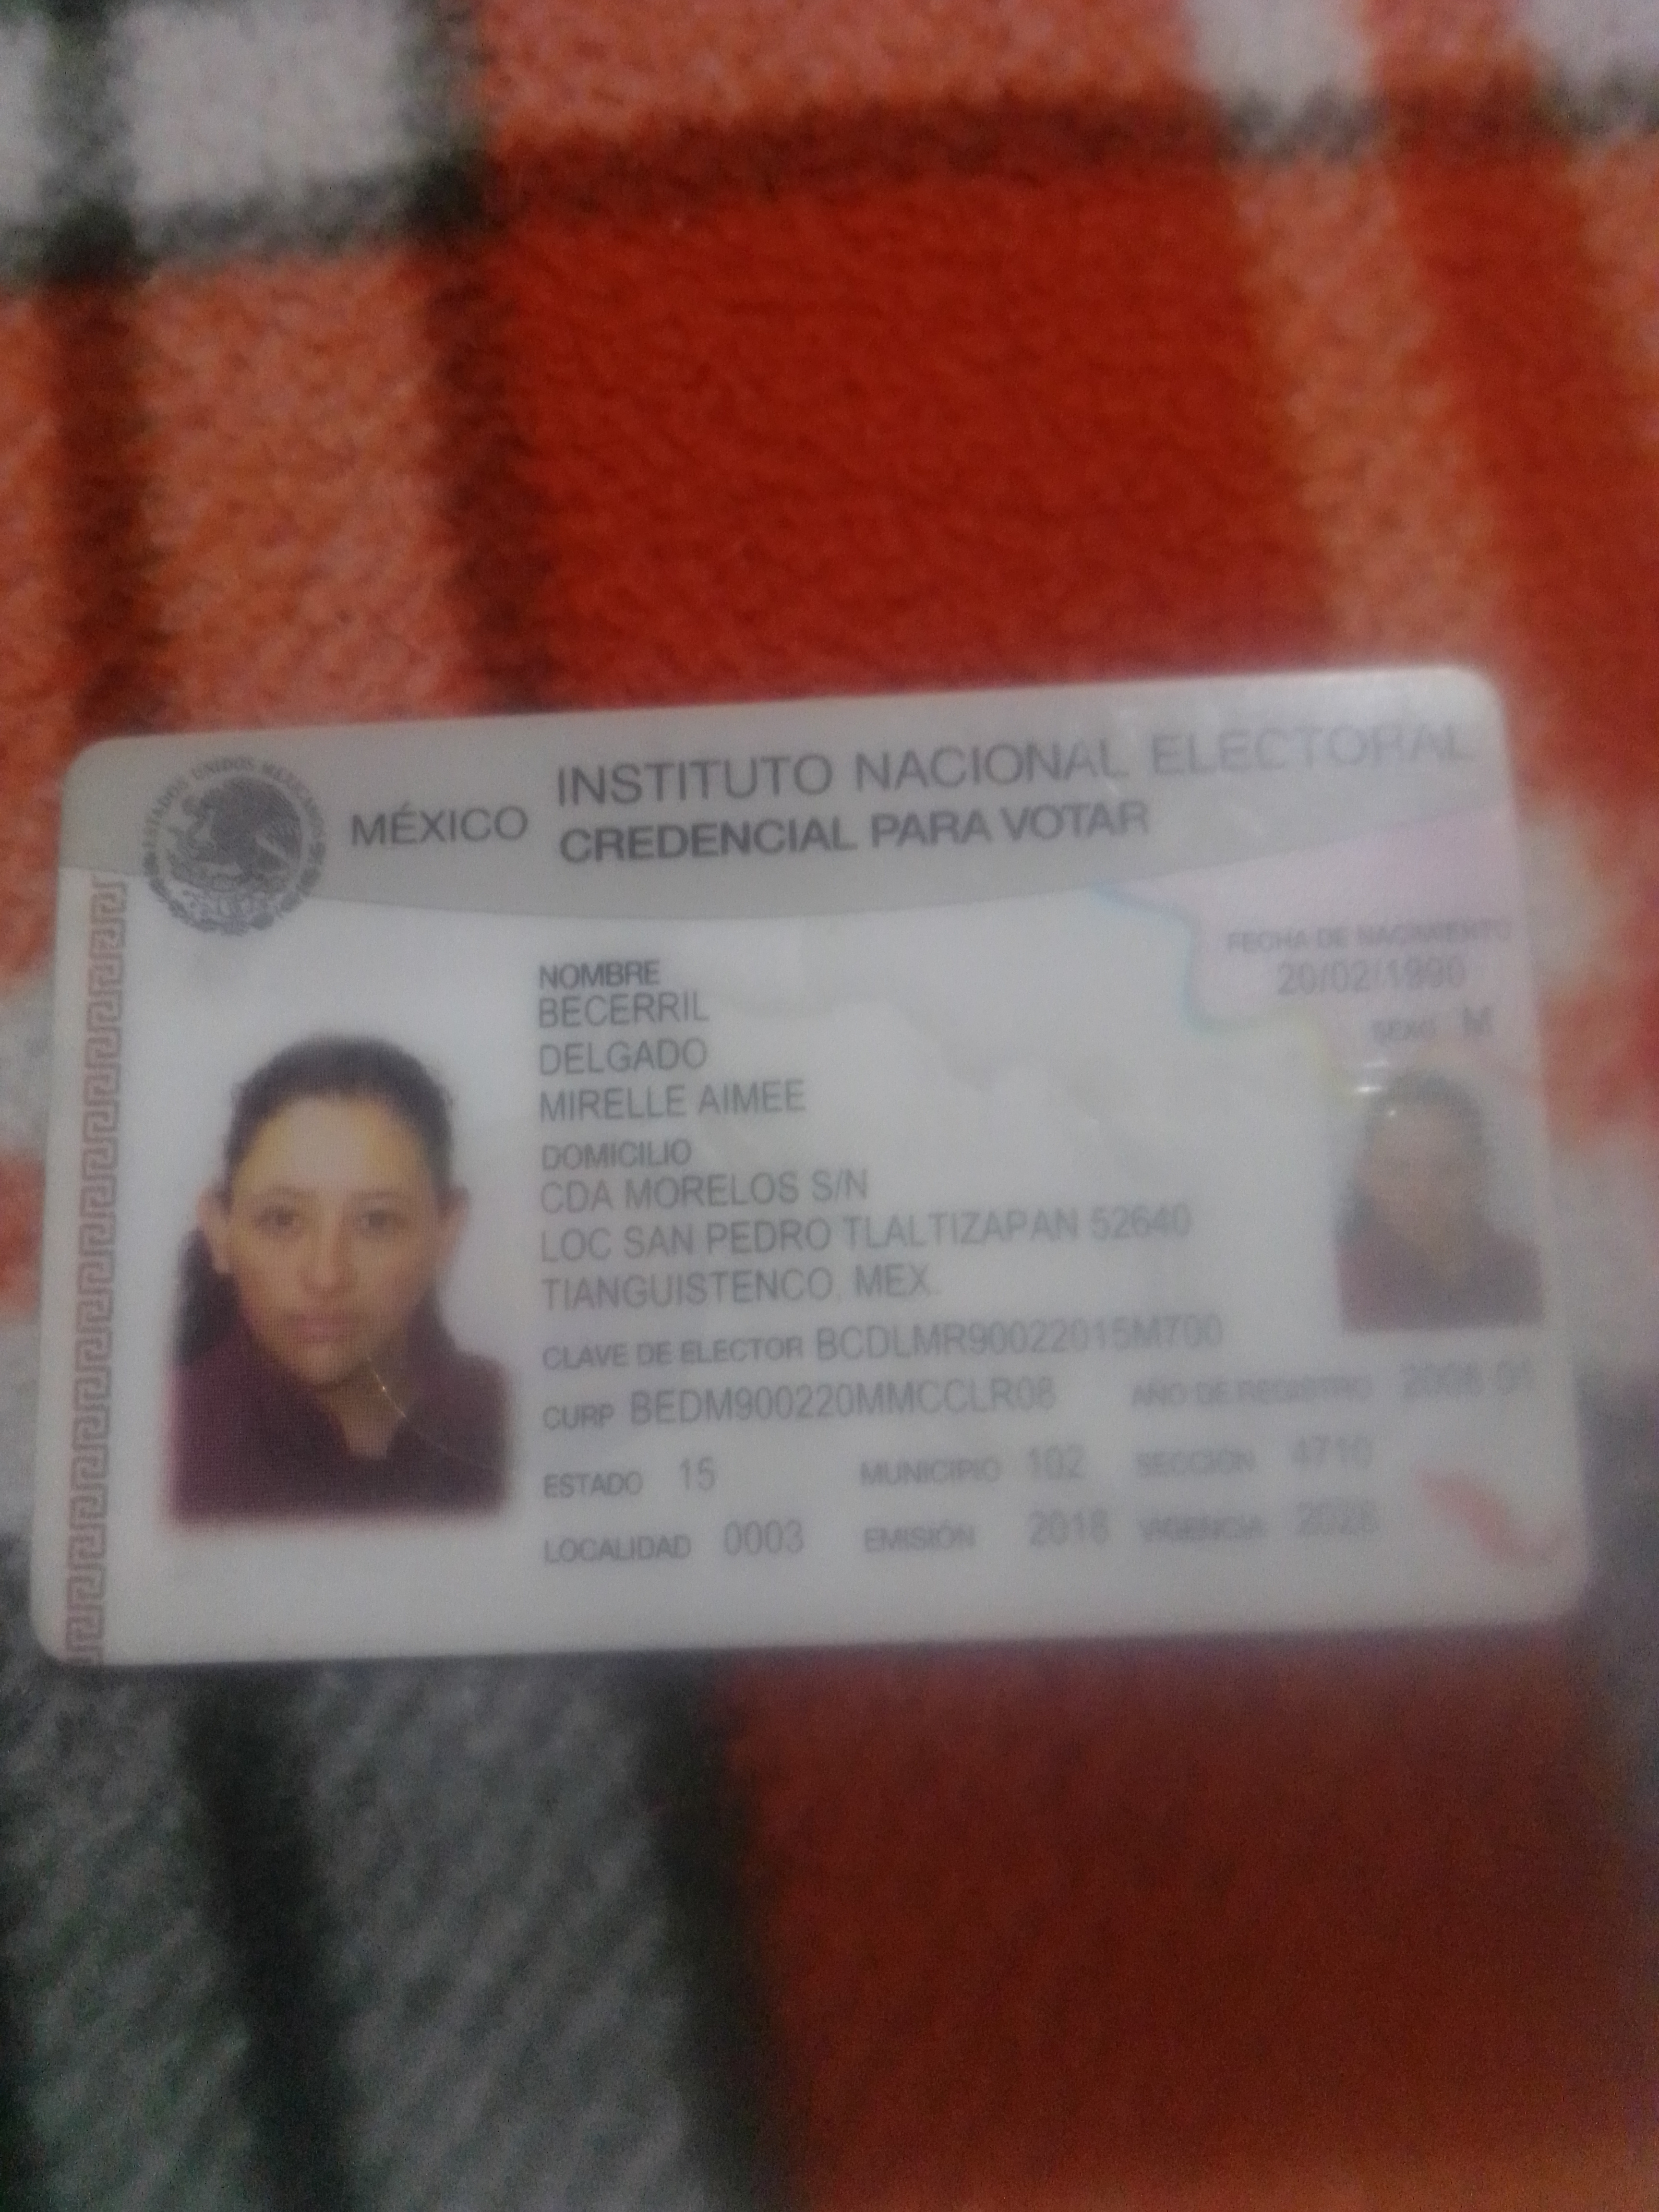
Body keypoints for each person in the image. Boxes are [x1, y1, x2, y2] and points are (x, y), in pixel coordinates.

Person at [172, 1036, 507, 1518]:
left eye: (376, 1221)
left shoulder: (510, 1421)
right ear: (220, 1232)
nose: (326, 1276)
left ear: (446, 1232)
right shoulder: (164, 1443)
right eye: (283, 1220)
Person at [1337, 1069, 1543, 1331]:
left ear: (1480, 1172)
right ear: (1366, 1175)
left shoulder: (1528, 1274)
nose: (1423, 1194)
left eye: (1447, 1169)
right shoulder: (1342, 1284)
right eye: (1399, 1170)